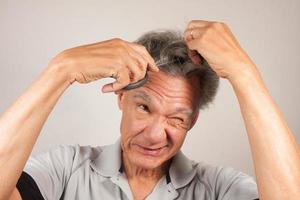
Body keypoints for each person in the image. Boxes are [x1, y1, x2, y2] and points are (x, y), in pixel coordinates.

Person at [0, 20, 299, 200]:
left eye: (177, 118)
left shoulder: (218, 188)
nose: (156, 135)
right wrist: (61, 69)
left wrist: (244, 72)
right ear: (121, 98)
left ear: (192, 121)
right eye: (144, 107)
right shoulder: (65, 169)